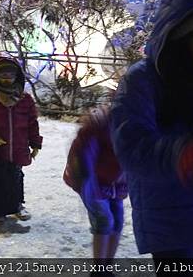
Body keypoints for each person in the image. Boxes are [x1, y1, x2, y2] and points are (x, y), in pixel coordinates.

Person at [111, 0, 193, 268]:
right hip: (168, 213)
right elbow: (130, 144)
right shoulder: (141, 79)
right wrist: (179, 154)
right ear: (179, 36)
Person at [0, 53, 42, 221]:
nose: (7, 79)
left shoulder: (25, 100)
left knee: (16, 176)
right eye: (3, 75)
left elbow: (32, 123)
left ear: (17, 75)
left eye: (11, 75)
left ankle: (17, 204)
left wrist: (35, 143)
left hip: (19, 146)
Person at [64, 105, 127, 273]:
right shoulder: (102, 125)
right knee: (104, 220)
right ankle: (99, 270)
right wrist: (90, 187)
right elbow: (85, 158)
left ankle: (107, 268)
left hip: (116, 184)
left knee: (118, 221)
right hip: (90, 181)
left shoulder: (140, 122)